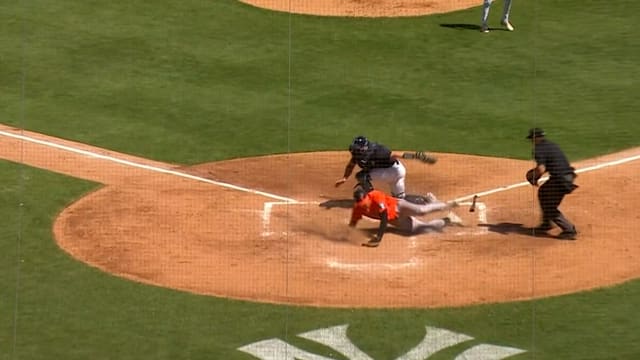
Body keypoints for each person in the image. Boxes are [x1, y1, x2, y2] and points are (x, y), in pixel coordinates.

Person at [349, 187, 463, 248]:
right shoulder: (358, 208)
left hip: (399, 206)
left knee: (421, 211)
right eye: (361, 203)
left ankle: (445, 205)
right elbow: (353, 223)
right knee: (422, 228)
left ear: (367, 197)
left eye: (364, 202)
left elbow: (383, 217)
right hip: (395, 220)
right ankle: (448, 220)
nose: (364, 205)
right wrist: (348, 234)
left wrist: (378, 237)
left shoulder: (375, 196)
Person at [526, 128, 579, 240]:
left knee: (549, 206)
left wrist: (533, 176)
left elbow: (541, 169)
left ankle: (569, 229)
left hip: (559, 180)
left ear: (535, 138)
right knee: (543, 193)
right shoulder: (551, 145)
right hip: (568, 176)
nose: (531, 141)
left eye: (532, 139)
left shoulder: (538, 149)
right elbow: (551, 164)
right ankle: (546, 223)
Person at [335, 135, 408, 198]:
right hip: (384, 172)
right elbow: (350, 166)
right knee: (398, 200)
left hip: (393, 171)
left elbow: (394, 155)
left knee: (398, 200)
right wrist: (344, 178)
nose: (355, 150)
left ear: (364, 148)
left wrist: (413, 156)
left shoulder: (377, 151)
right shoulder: (358, 154)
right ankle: (373, 197)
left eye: (357, 148)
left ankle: (373, 197)